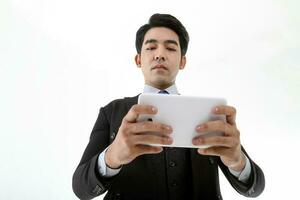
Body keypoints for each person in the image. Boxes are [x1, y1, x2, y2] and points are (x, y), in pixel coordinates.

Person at [72, 13, 265, 200]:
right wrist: (111, 157)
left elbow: (255, 188)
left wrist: (238, 161)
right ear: (138, 59)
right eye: (151, 48)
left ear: (183, 61)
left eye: (171, 49)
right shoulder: (111, 112)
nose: (160, 55)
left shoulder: (210, 114)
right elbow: (81, 188)